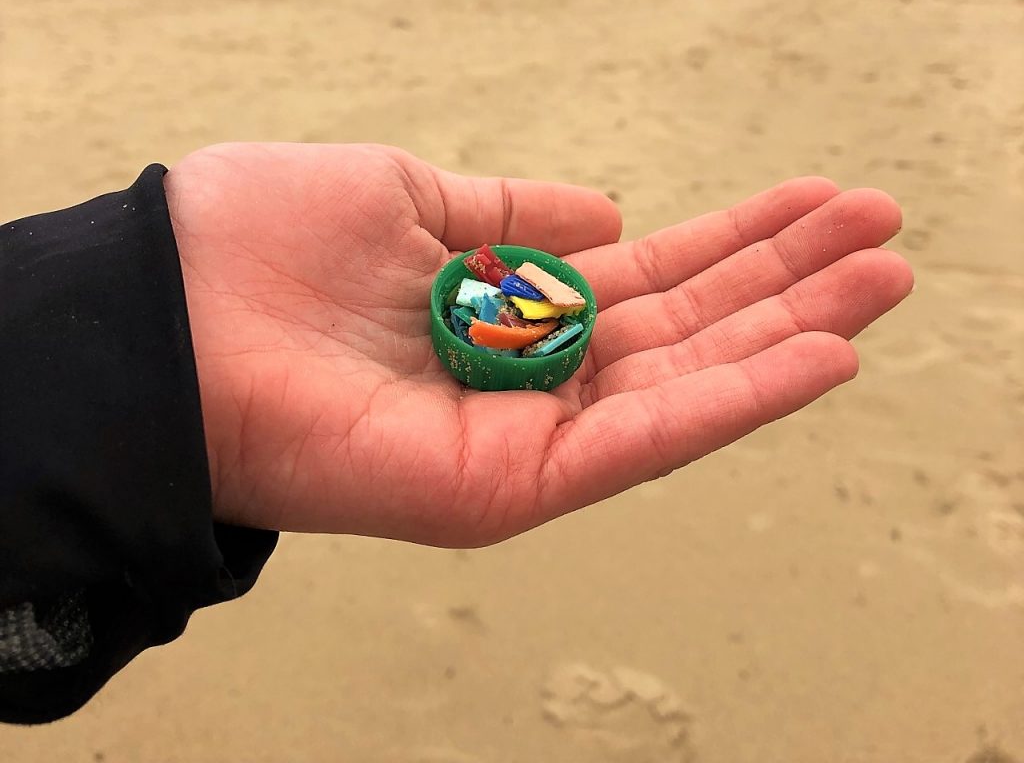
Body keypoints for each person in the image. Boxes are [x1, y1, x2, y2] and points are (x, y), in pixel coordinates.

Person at [0, 142, 913, 724]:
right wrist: (169, 303)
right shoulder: (473, 295)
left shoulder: (524, 294)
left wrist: (143, 309)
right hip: (489, 322)